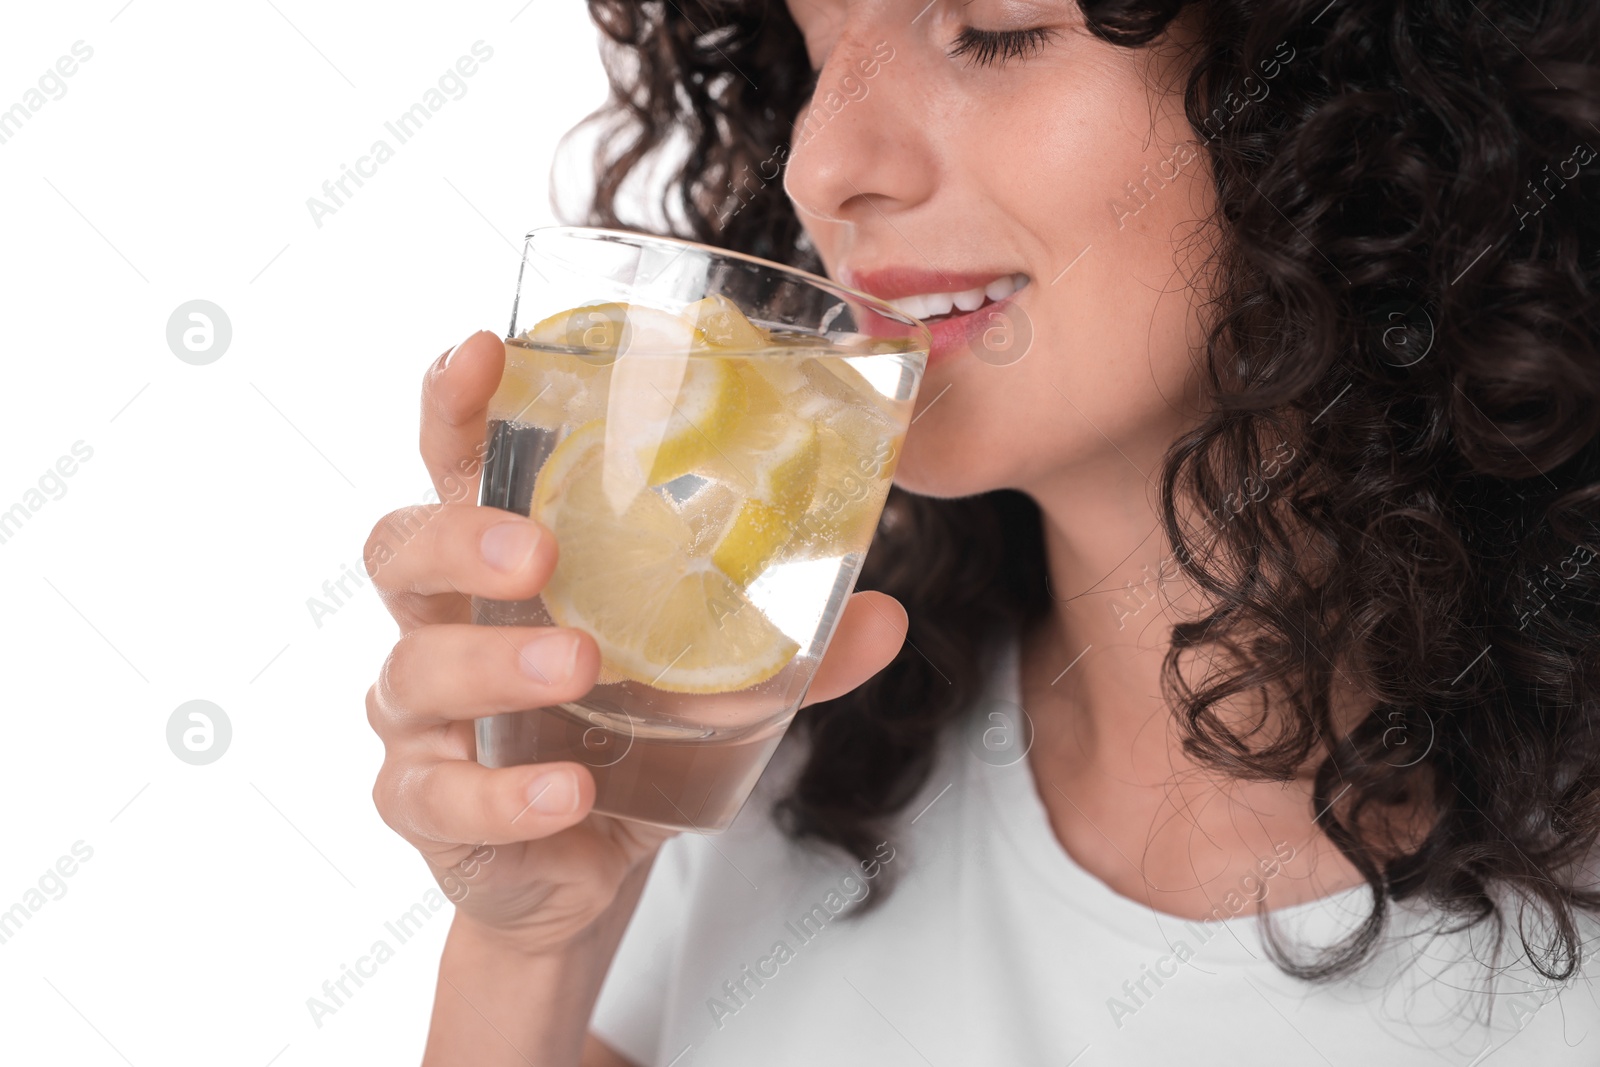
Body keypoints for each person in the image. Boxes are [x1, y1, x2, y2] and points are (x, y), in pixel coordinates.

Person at [362, 0, 1600, 1063]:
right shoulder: (738, 778)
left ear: (1344, 88)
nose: (819, 162)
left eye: (991, 32)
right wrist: (532, 946)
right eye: (809, 48)